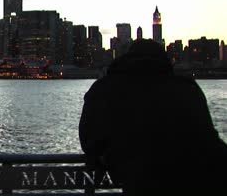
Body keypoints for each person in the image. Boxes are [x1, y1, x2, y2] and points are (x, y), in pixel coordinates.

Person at [79, 39, 227, 196]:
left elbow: (89, 139)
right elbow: (209, 139)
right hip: (196, 183)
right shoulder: (187, 89)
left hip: (138, 182)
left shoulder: (104, 89)